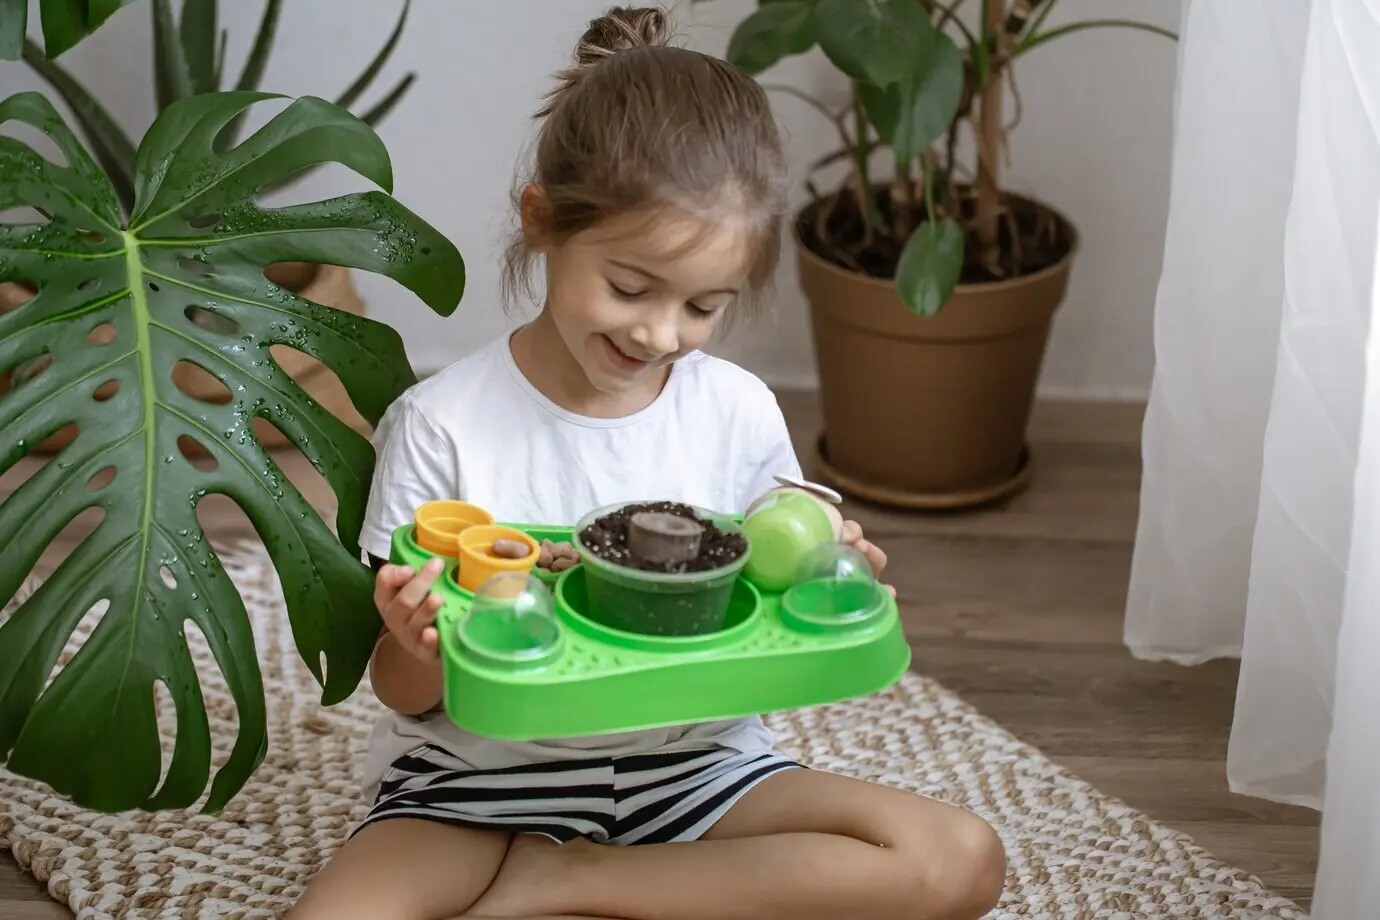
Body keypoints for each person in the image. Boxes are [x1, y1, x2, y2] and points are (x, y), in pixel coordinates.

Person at [289, 7, 1006, 920]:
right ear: (543, 221)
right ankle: (602, 888)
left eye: (703, 306)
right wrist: (415, 640)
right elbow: (406, 696)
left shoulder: (736, 411)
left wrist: (828, 585)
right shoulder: (442, 425)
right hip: (477, 787)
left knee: (958, 860)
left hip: (697, 771)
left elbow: (767, 620)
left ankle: (575, 883)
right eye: (630, 288)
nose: (661, 334)